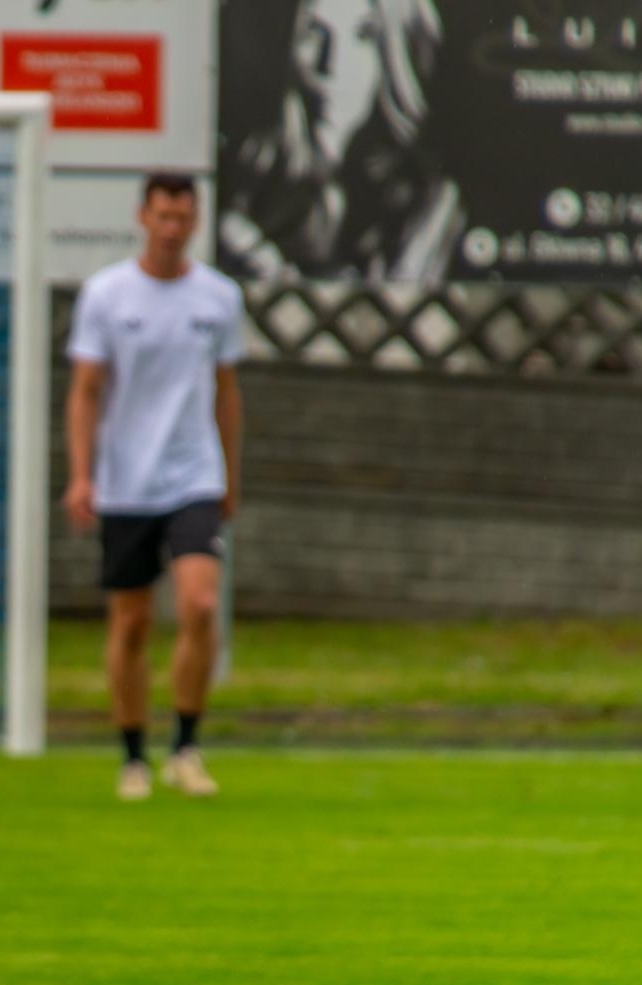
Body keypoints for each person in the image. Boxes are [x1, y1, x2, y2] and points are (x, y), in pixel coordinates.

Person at [63, 172, 245, 802]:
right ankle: (133, 757)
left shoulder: (219, 297)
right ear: (144, 217)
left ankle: (186, 748)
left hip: (194, 475)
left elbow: (227, 391)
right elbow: (86, 390)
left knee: (198, 604)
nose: (173, 228)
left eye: (184, 217)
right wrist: (83, 475)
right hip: (125, 483)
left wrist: (229, 472)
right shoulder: (107, 294)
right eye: (163, 215)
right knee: (132, 622)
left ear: (195, 222)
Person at [217, 0, 463, 283]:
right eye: (314, 32)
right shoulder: (256, 168)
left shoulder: (428, 205)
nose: (326, 63)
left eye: (359, 36)